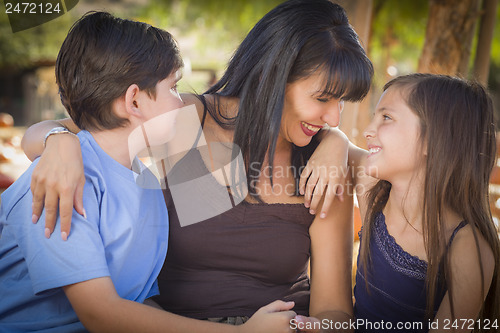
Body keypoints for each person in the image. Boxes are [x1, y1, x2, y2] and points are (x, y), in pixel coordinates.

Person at [21, 0, 374, 329]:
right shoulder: (182, 118)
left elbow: (335, 310)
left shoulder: (324, 167)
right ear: (272, 77)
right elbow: (79, 127)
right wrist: (59, 141)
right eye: (323, 98)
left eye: (342, 102)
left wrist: (315, 325)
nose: (333, 117)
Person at [346, 74, 500, 332]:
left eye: (386, 117)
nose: (368, 130)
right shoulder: (374, 192)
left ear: (433, 138)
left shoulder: (468, 248)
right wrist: (333, 144)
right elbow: (337, 143)